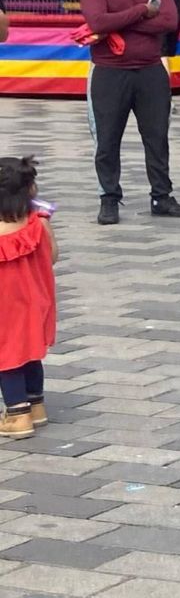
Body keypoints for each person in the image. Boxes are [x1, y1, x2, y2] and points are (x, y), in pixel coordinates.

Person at [83, 0, 180, 226]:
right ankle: (109, 198)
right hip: (108, 72)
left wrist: (119, 23)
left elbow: (169, 21)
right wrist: (143, 11)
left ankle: (162, 196)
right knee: (107, 139)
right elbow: (97, 22)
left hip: (151, 71)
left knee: (157, 137)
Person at [0, 156, 56, 440]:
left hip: (4, 310)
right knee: (30, 353)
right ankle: (37, 406)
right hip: (36, 302)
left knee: (7, 358)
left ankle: (17, 414)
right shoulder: (39, 223)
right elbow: (52, 256)